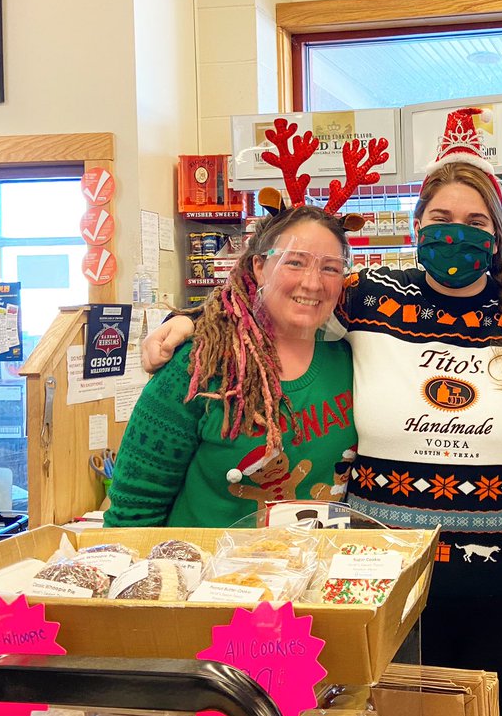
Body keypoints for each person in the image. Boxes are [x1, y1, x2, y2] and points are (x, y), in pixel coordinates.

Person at [140, 108, 502, 716]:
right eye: (442, 219)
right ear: (417, 225)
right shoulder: (370, 297)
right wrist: (187, 322)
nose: (458, 234)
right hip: (385, 578)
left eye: (476, 222)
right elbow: (277, 290)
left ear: (499, 236)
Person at [105, 202, 358, 528]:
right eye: (294, 262)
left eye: (330, 268)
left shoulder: (350, 357)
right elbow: (131, 516)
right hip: (208, 574)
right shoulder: (196, 368)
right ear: (259, 267)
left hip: (315, 572)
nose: (312, 283)